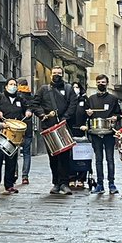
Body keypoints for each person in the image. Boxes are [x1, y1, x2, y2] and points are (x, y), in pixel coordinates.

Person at [34, 66, 78, 195]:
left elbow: (73, 104)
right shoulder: (43, 89)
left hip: (64, 126)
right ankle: (56, 183)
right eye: (54, 73)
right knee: (53, 156)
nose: (56, 75)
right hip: (49, 127)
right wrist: (42, 114)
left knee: (65, 156)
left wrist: (65, 118)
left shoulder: (69, 89)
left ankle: (64, 183)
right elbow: (35, 104)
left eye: (59, 73)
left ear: (62, 75)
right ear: (51, 75)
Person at [0, 78, 28, 195]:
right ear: (6, 86)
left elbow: (27, 108)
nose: (13, 86)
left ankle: (9, 185)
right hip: (1, 132)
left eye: (15, 84)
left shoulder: (20, 99)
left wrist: (28, 112)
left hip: (14, 134)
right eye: (11, 84)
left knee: (11, 161)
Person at [86, 74, 122, 194]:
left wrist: (115, 117)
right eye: (99, 82)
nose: (101, 84)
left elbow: (119, 114)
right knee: (98, 159)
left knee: (110, 159)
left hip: (109, 132)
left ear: (107, 83)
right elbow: (85, 114)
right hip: (95, 132)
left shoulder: (113, 99)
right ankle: (100, 184)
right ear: (96, 83)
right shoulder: (91, 99)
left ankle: (111, 184)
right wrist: (88, 113)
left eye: (103, 82)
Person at [17, 77, 35, 183]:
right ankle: (25, 176)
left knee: (13, 153)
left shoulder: (17, 96)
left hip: (16, 127)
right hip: (28, 127)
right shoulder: (31, 96)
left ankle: (14, 174)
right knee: (27, 153)